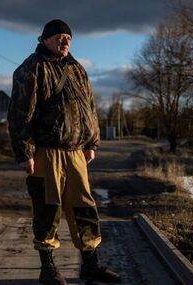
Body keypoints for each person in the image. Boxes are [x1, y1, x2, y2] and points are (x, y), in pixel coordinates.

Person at [8, 19, 120, 285]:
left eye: (68, 37)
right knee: (48, 208)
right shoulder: (32, 68)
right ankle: (48, 269)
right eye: (59, 36)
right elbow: (19, 114)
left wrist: (92, 142)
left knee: (84, 206)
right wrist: (25, 152)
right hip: (47, 152)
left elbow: (89, 107)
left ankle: (90, 265)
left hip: (76, 152)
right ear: (44, 39)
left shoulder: (77, 69)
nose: (65, 41)